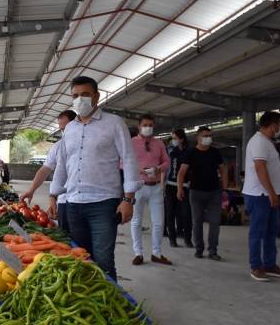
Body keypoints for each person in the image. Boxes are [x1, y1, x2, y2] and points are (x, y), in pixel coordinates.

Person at [52, 76, 139, 280]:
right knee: (80, 258)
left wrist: (128, 199)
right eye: (75, 96)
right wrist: (53, 195)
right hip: (73, 202)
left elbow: (129, 159)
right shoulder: (70, 129)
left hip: (103, 203)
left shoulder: (114, 123)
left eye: (85, 94)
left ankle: (111, 307)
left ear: (96, 97)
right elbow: (63, 164)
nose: (80, 99)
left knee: (103, 259)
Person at [242, 111, 280, 281]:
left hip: (269, 195)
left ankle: (270, 264)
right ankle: (256, 266)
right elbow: (260, 169)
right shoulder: (259, 142)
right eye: (279, 124)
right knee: (258, 232)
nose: (279, 128)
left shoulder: (267, 142)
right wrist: (271, 193)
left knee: (271, 232)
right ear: (272, 125)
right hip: (260, 195)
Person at [19, 110, 77, 230]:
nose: (64, 132)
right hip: (64, 201)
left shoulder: (88, 145)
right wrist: (31, 190)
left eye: (66, 128)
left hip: (85, 200)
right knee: (69, 239)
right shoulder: (58, 146)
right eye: (62, 129)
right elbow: (44, 170)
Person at [177, 127, 228, 261]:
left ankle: (213, 251)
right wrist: (179, 188)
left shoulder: (215, 152)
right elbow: (181, 172)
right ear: (198, 138)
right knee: (197, 221)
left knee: (215, 222)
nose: (208, 138)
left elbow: (223, 170)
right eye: (205, 136)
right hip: (196, 192)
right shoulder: (190, 153)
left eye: (210, 136)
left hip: (214, 192)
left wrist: (225, 189)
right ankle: (199, 249)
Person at [130, 115, 171, 266]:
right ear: (139, 126)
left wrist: (158, 168)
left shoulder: (159, 143)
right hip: (138, 186)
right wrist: (140, 170)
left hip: (155, 187)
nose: (148, 127)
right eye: (145, 124)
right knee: (136, 221)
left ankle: (156, 252)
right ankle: (138, 253)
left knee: (159, 222)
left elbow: (167, 161)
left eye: (151, 125)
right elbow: (122, 162)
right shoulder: (131, 143)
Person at [165, 129, 194, 248]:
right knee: (170, 213)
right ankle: (172, 239)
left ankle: (187, 238)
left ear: (181, 139)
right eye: (172, 138)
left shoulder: (189, 151)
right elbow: (165, 168)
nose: (173, 141)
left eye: (175, 138)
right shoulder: (170, 151)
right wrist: (162, 184)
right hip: (170, 185)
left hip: (185, 186)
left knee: (186, 213)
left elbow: (193, 169)